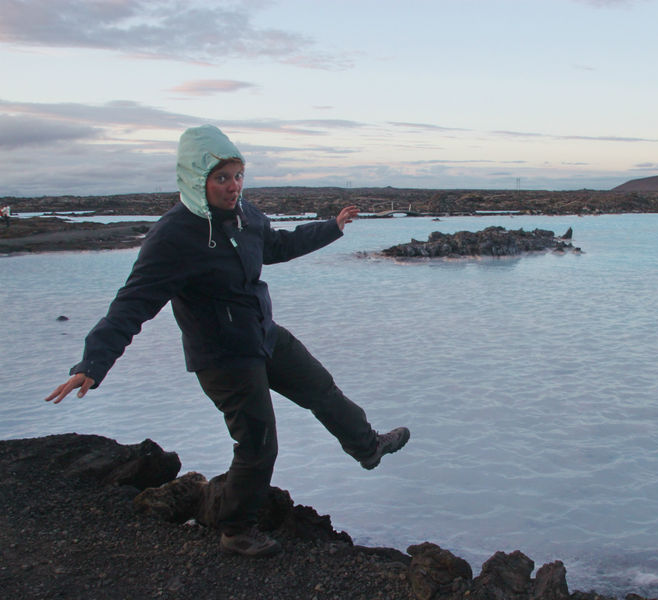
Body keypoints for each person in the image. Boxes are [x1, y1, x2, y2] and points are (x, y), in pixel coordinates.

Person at [45, 124, 410, 557]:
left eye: (238, 175)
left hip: (260, 332)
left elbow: (275, 244)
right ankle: (237, 530)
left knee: (321, 388)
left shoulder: (245, 215)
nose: (233, 186)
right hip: (222, 357)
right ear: (196, 180)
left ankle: (368, 447)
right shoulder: (174, 236)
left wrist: (331, 227)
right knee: (258, 442)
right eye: (221, 178)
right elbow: (132, 303)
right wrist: (92, 364)